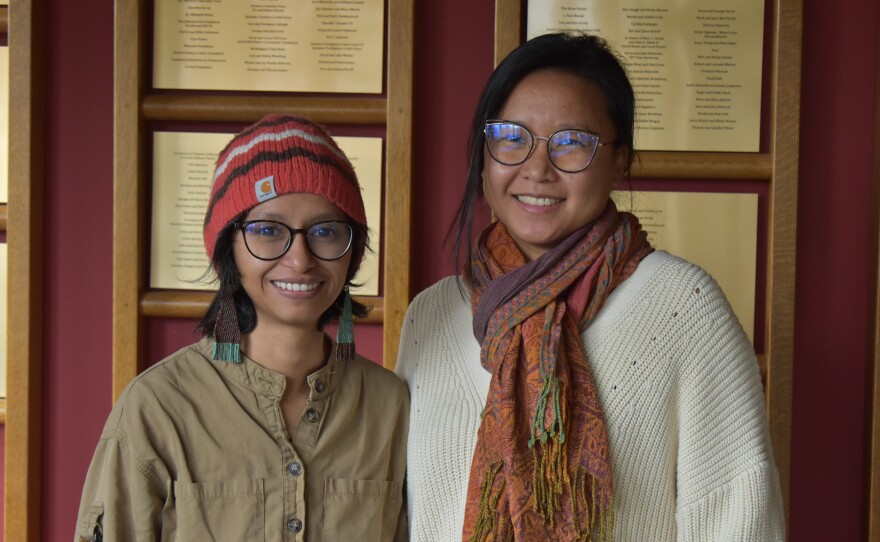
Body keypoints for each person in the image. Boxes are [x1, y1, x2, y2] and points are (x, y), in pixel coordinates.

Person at [396, 33, 785, 541]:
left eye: (572, 142)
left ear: (620, 159)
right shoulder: (431, 315)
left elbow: (740, 521)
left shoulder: (683, 309)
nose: (536, 169)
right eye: (512, 136)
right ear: (485, 154)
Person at [75, 115, 409, 541]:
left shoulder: (390, 406)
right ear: (228, 248)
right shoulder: (157, 409)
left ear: (352, 252)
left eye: (326, 231)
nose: (300, 259)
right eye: (268, 230)